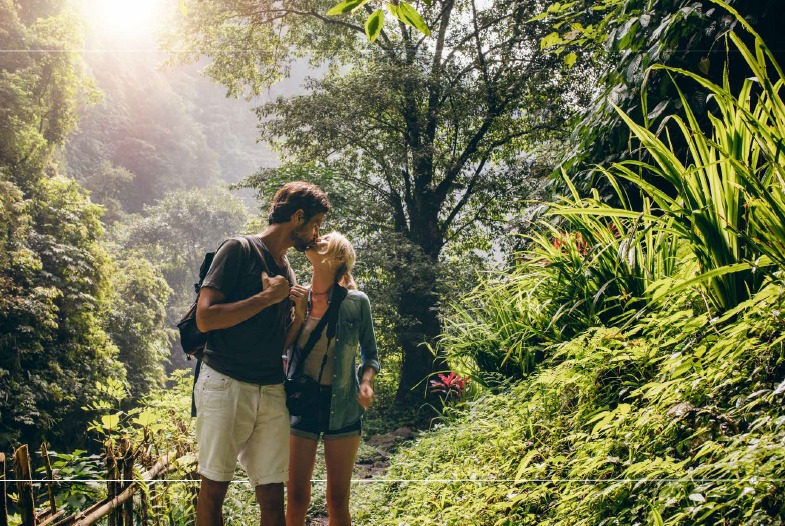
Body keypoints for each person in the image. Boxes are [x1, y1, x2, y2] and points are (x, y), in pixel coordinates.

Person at [194, 181, 329, 526]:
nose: (316, 236)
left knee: (272, 494)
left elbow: (277, 344)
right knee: (214, 489)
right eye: (314, 225)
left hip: (270, 387)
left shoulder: (287, 270)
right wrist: (266, 299)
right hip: (225, 382)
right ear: (297, 217)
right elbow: (205, 318)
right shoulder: (238, 249)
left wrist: (298, 317)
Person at [285, 232, 380, 526]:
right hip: (302, 405)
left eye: (325, 239)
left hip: (344, 405)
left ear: (338, 258)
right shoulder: (296, 297)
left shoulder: (357, 302)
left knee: (338, 499)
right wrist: (298, 314)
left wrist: (366, 382)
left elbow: (371, 355)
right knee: (297, 498)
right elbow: (282, 348)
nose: (316, 239)